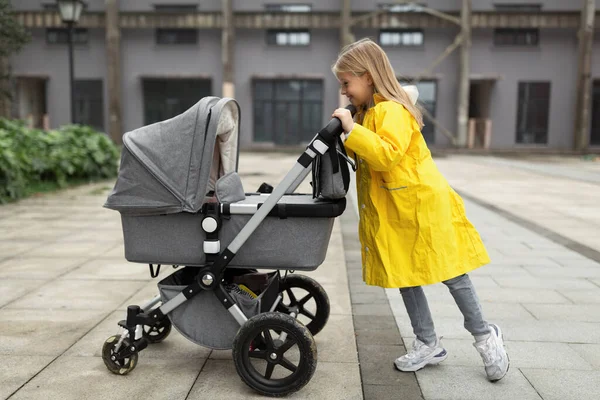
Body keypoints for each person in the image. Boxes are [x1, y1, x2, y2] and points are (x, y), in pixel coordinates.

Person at [330, 38, 509, 382]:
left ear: (367, 77)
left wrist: (352, 130)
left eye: (346, 83)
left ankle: (485, 336)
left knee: (452, 275)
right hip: (396, 210)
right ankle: (427, 341)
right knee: (405, 277)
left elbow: (386, 154)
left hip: (423, 207)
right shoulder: (369, 114)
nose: (344, 91)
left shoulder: (392, 111)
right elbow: (367, 159)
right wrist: (349, 134)